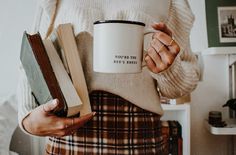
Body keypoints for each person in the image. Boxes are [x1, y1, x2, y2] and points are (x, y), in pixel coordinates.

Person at [17, 0, 200, 154]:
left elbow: (189, 75)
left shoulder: (172, 3)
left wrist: (167, 70)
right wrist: (28, 119)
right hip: (67, 134)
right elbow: (32, 55)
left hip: (139, 136)